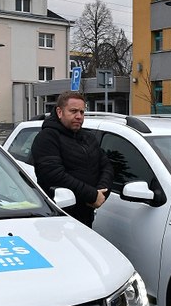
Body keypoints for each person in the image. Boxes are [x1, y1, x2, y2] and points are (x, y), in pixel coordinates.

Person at [31, 91, 113, 227]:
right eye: (73, 111)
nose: (79, 116)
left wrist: (101, 193)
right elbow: (53, 174)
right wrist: (91, 195)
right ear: (59, 112)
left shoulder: (88, 137)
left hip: (86, 215)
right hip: (58, 217)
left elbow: (106, 166)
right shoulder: (47, 137)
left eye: (82, 112)